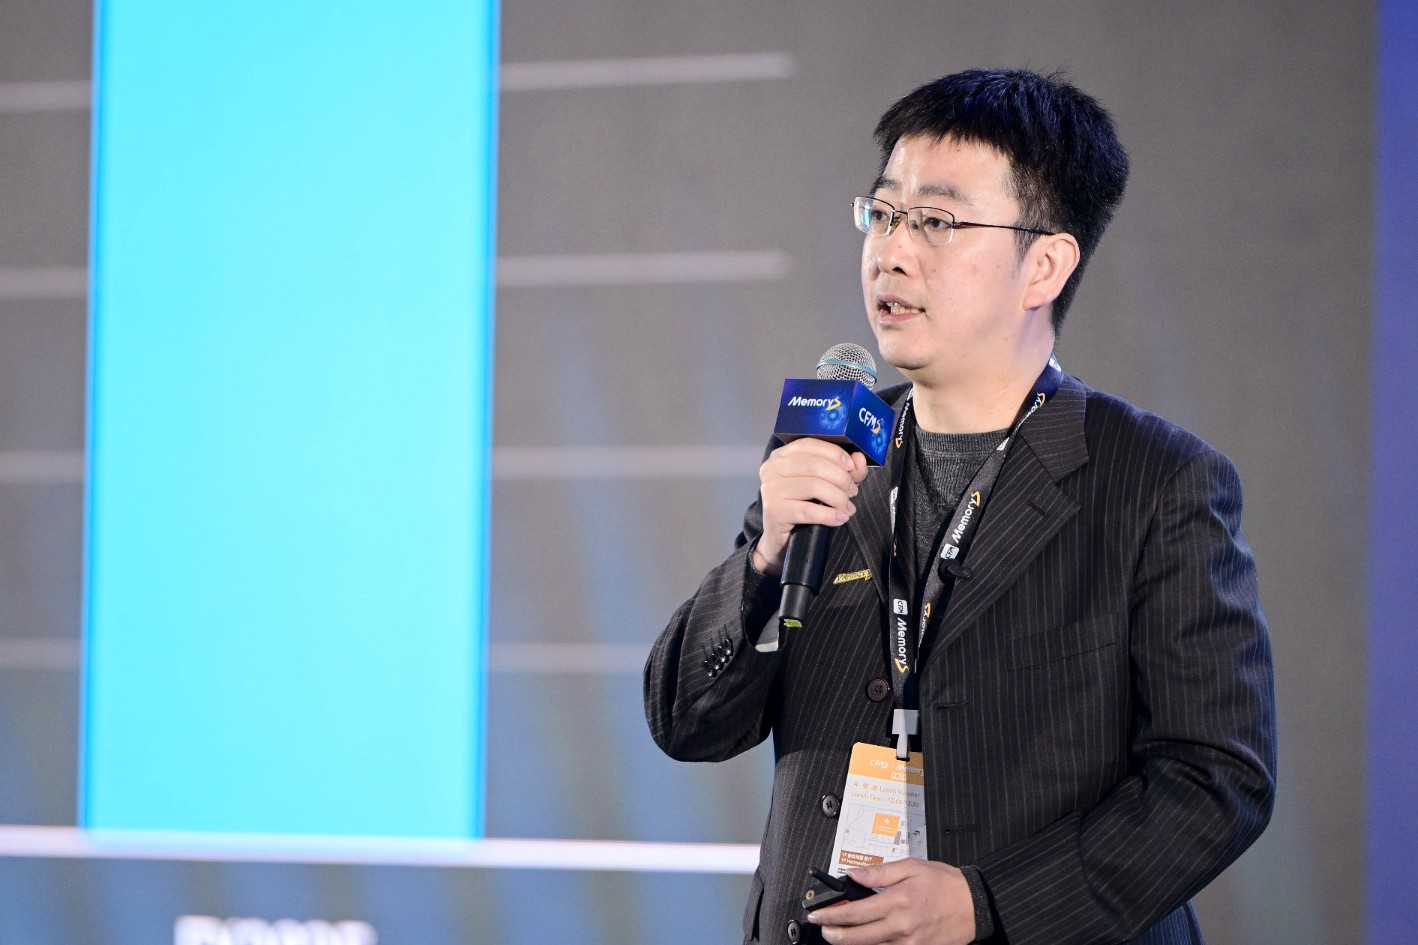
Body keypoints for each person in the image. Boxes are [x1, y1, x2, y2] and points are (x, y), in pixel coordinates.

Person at [644, 69, 1276, 945]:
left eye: (936, 221)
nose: (892, 251)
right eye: (883, 213)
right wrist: (764, 556)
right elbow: (688, 722)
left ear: (1045, 265)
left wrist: (989, 904)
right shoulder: (834, 449)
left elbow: (1215, 779)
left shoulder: (1157, 481)